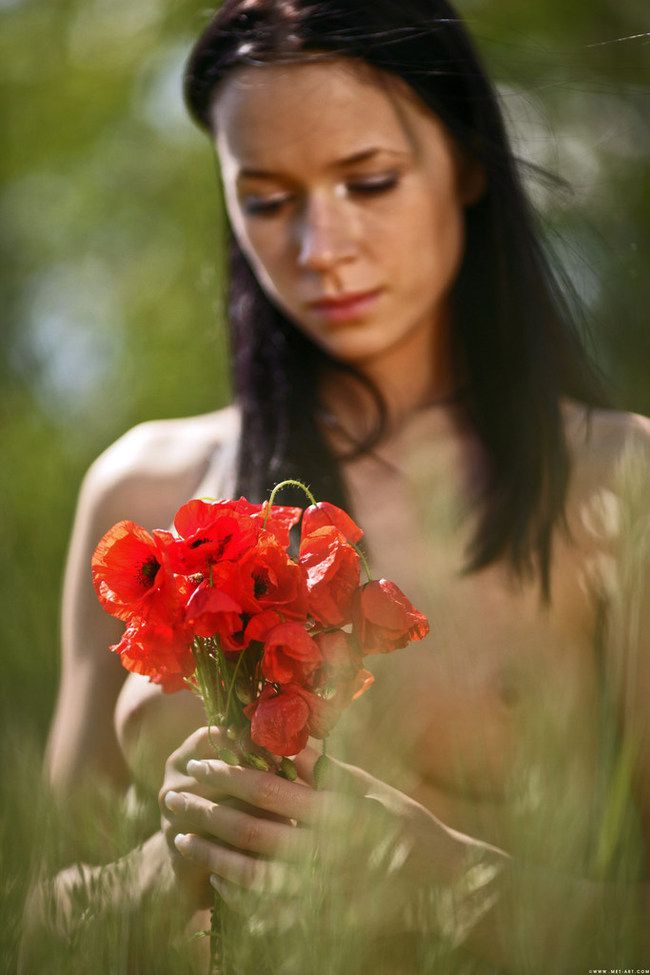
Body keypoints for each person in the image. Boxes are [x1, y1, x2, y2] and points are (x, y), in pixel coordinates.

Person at [31, 0, 650, 972]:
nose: (320, 248)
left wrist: (436, 876)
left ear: (469, 166)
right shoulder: (144, 494)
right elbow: (36, 917)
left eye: (368, 182)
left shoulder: (613, 489)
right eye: (268, 200)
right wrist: (155, 878)